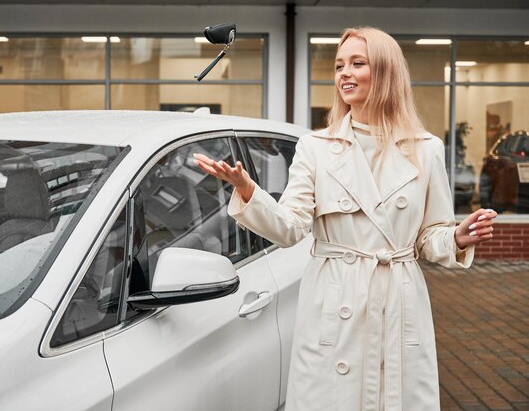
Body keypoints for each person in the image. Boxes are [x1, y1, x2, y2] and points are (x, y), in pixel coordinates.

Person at [194, 26, 496, 411]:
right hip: (335, 299)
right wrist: (248, 191)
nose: (344, 74)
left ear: (385, 72)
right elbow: (290, 228)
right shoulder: (316, 148)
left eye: (357, 63)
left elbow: (428, 236)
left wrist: (456, 237)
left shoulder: (426, 149)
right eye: (339, 65)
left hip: (397, 300)